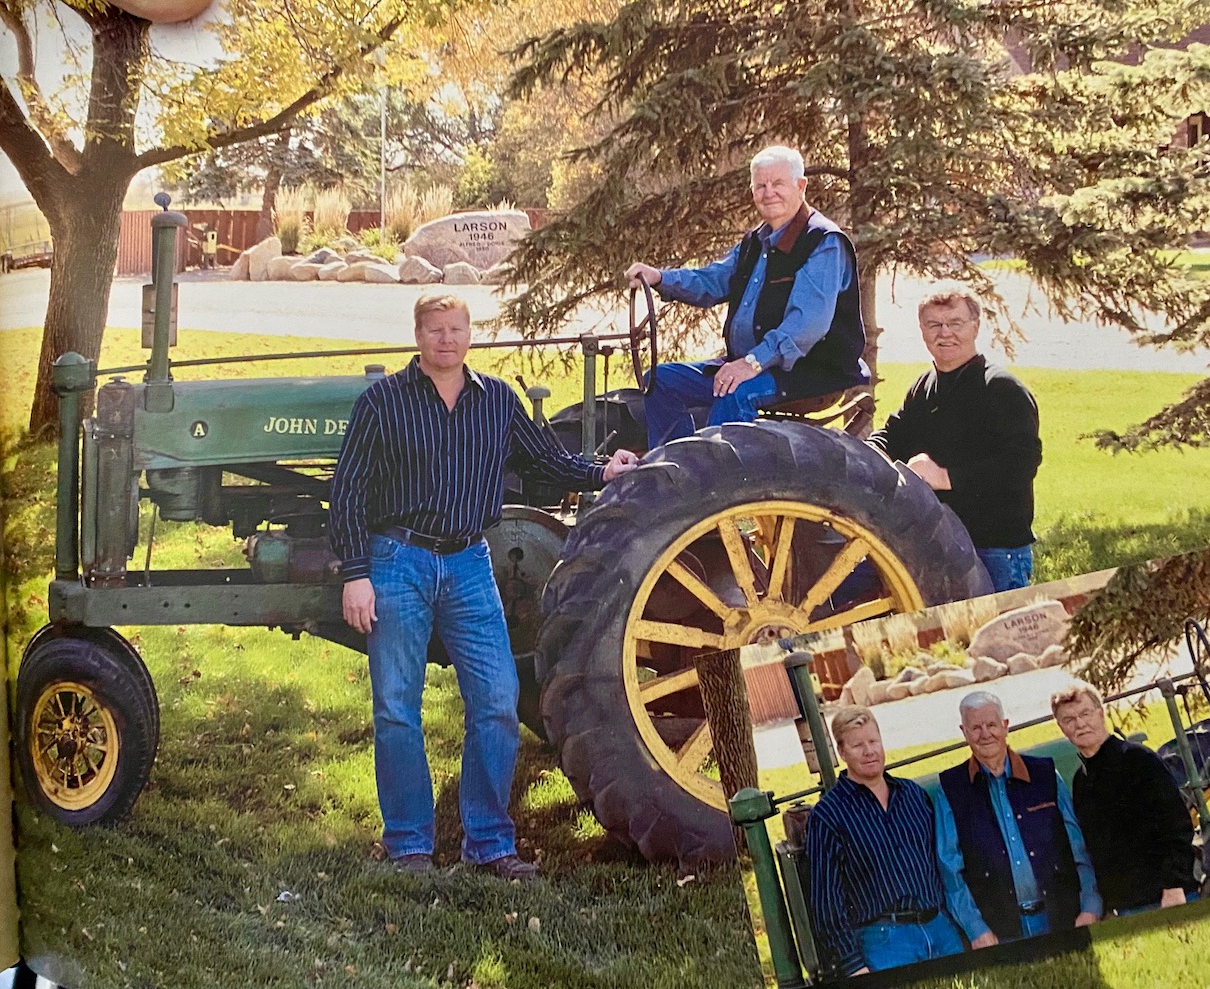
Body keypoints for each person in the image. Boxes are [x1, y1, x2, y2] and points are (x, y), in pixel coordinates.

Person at [329, 293, 639, 879]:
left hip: (471, 563)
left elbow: (547, 459)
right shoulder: (382, 402)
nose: (445, 339)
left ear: (470, 334)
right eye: (434, 330)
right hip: (399, 560)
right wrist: (356, 575)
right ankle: (409, 845)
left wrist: (602, 470)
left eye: (455, 329)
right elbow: (347, 494)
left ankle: (490, 842)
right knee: (398, 707)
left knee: (497, 701)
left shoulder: (496, 399)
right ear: (418, 336)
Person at [624, 145, 867, 448]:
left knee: (734, 390)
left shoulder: (823, 242)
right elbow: (713, 280)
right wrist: (660, 277)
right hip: (754, 365)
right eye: (760, 185)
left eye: (778, 184)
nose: (769, 193)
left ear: (801, 186)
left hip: (808, 372)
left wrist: (751, 363)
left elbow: (806, 325)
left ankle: (718, 483)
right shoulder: (756, 241)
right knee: (659, 380)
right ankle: (676, 470)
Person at [864, 282, 1041, 592]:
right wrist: (861, 456)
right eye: (934, 324)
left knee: (1000, 637)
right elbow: (892, 435)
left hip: (995, 550)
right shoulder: (924, 386)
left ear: (975, 326)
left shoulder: (1002, 389)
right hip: (939, 547)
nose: (945, 333)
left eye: (955, 323)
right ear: (922, 330)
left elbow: (1020, 465)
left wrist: (945, 477)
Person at [806, 705, 984, 976]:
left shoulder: (912, 794)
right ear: (842, 752)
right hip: (884, 940)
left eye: (873, 741)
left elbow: (942, 865)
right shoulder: (829, 814)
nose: (869, 751)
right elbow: (826, 901)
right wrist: (853, 965)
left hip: (940, 928)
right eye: (857, 746)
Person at [935, 691, 1103, 942]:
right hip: (999, 933)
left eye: (991, 725)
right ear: (964, 732)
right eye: (975, 727)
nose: (985, 734)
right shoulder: (951, 789)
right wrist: (976, 930)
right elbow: (950, 871)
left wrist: (1091, 906)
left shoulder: (1044, 774)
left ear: (1005, 726)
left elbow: (1077, 847)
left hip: (1063, 918)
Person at [1050, 680, 1197, 916]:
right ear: (1061, 728)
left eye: (1085, 713)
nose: (1080, 724)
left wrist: (1174, 885)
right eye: (1069, 719)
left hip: (1165, 898)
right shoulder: (1081, 781)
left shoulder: (1138, 760)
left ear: (1101, 713)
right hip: (1125, 908)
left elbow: (1177, 825)